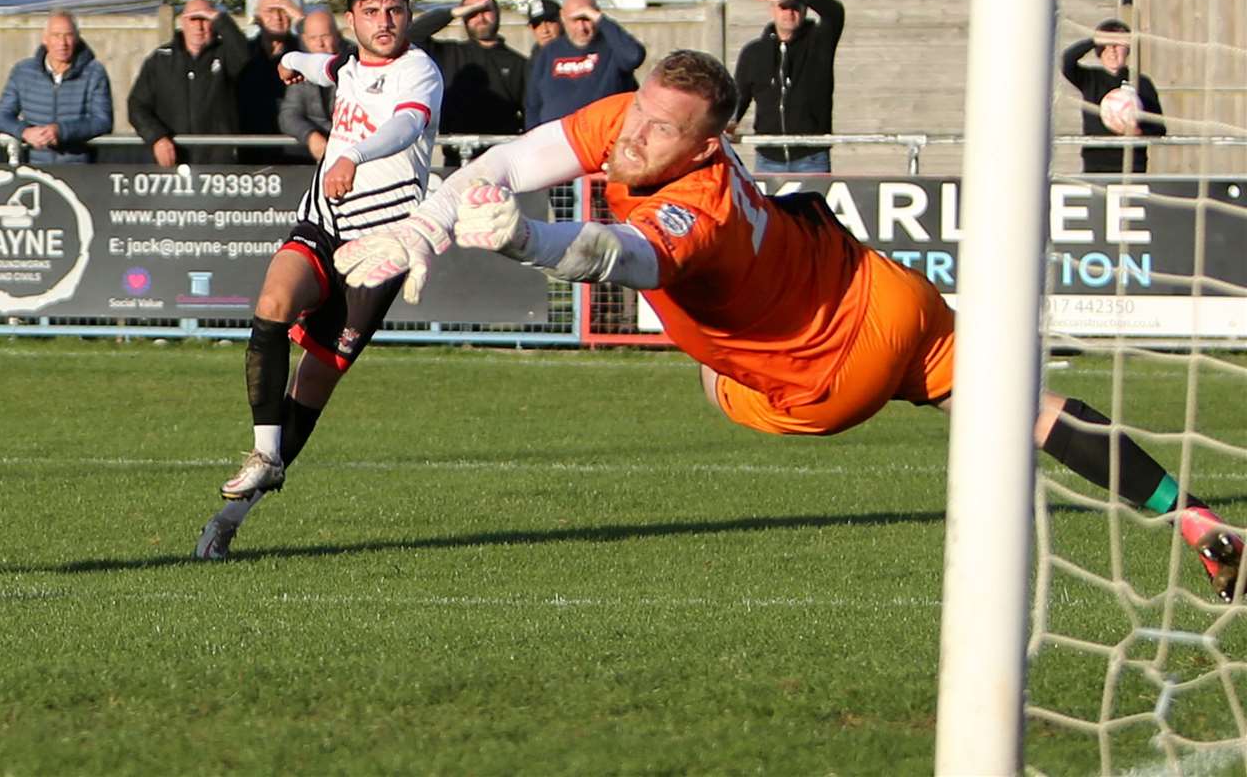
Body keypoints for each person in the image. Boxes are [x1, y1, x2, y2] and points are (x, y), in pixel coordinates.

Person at [334, 49, 1245, 603]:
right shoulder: (632, 119)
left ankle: (1193, 520)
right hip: (888, 294)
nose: (636, 138)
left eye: (663, 131)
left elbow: (625, 257)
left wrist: (529, 238)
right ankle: (1196, 518)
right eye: (640, 114)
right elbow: (516, 155)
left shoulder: (701, 208)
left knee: (710, 374)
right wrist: (432, 215)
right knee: (1033, 411)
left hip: (824, 383)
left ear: (708, 147)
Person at [194, 0, 443, 560]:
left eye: (396, 11)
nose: (386, 22)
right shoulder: (350, 65)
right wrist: (295, 64)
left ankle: (234, 513)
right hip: (323, 222)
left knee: (312, 386)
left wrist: (352, 152)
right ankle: (262, 454)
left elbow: (407, 122)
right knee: (272, 302)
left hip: (380, 247)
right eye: (373, 12)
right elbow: (330, 69)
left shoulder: (420, 71)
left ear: (407, 16)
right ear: (352, 20)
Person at [732, 0, 845, 174]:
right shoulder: (754, 52)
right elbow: (740, 95)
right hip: (768, 159)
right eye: (783, 8)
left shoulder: (819, 42)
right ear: (773, 11)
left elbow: (834, 12)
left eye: (795, 7)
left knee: (811, 205)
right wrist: (729, 121)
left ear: (804, 11)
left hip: (811, 157)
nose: (789, 14)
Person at [408, 0, 526, 164]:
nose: (480, 17)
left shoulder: (518, 63)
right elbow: (412, 35)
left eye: (486, 10)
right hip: (456, 161)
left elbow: (529, 112)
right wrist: (453, 13)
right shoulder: (450, 53)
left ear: (497, 13)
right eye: (472, 12)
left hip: (501, 161)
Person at [128, 0, 253, 166]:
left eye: (205, 20)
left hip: (218, 163)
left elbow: (244, 56)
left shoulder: (224, 55)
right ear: (183, 22)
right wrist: (157, 137)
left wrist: (220, 18)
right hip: (173, 162)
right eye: (194, 19)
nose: (199, 27)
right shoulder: (161, 60)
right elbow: (137, 105)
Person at [0, 11, 113, 164]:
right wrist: (25, 132)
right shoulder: (23, 72)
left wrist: (62, 131)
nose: (62, 43)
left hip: (79, 169)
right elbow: (0, 116)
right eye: (56, 35)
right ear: (45, 39)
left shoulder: (94, 73)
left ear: (76, 38)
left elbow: (102, 121)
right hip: (34, 168)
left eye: (68, 35)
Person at [524, 0, 644, 130]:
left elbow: (634, 57)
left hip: (602, 138)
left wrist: (601, 20)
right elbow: (533, 105)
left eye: (586, 19)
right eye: (575, 20)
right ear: (562, 17)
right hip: (557, 141)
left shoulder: (612, 47)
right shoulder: (548, 53)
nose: (581, 28)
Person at [1061, 19, 1165, 174]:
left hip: (1132, 166)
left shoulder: (1141, 83)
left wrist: (1138, 132)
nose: (1112, 51)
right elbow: (1067, 61)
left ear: (1128, 49)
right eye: (1107, 46)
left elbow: (1159, 128)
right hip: (1096, 164)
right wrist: (1095, 39)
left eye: (1118, 45)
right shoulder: (1089, 78)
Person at [236, 0, 304, 162]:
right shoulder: (243, 53)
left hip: (298, 151)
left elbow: (334, 54)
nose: (278, 17)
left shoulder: (304, 52)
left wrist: (302, 20)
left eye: (283, 10)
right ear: (257, 18)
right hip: (251, 151)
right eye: (270, 11)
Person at [277, 8, 344, 162]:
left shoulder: (354, 62)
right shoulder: (300, 68)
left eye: (325, 36)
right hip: (310, 157)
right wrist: (310, 135)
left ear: (338, 36)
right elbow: (288, 115)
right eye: (313, 38)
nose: (320, 44)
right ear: (305, 40)